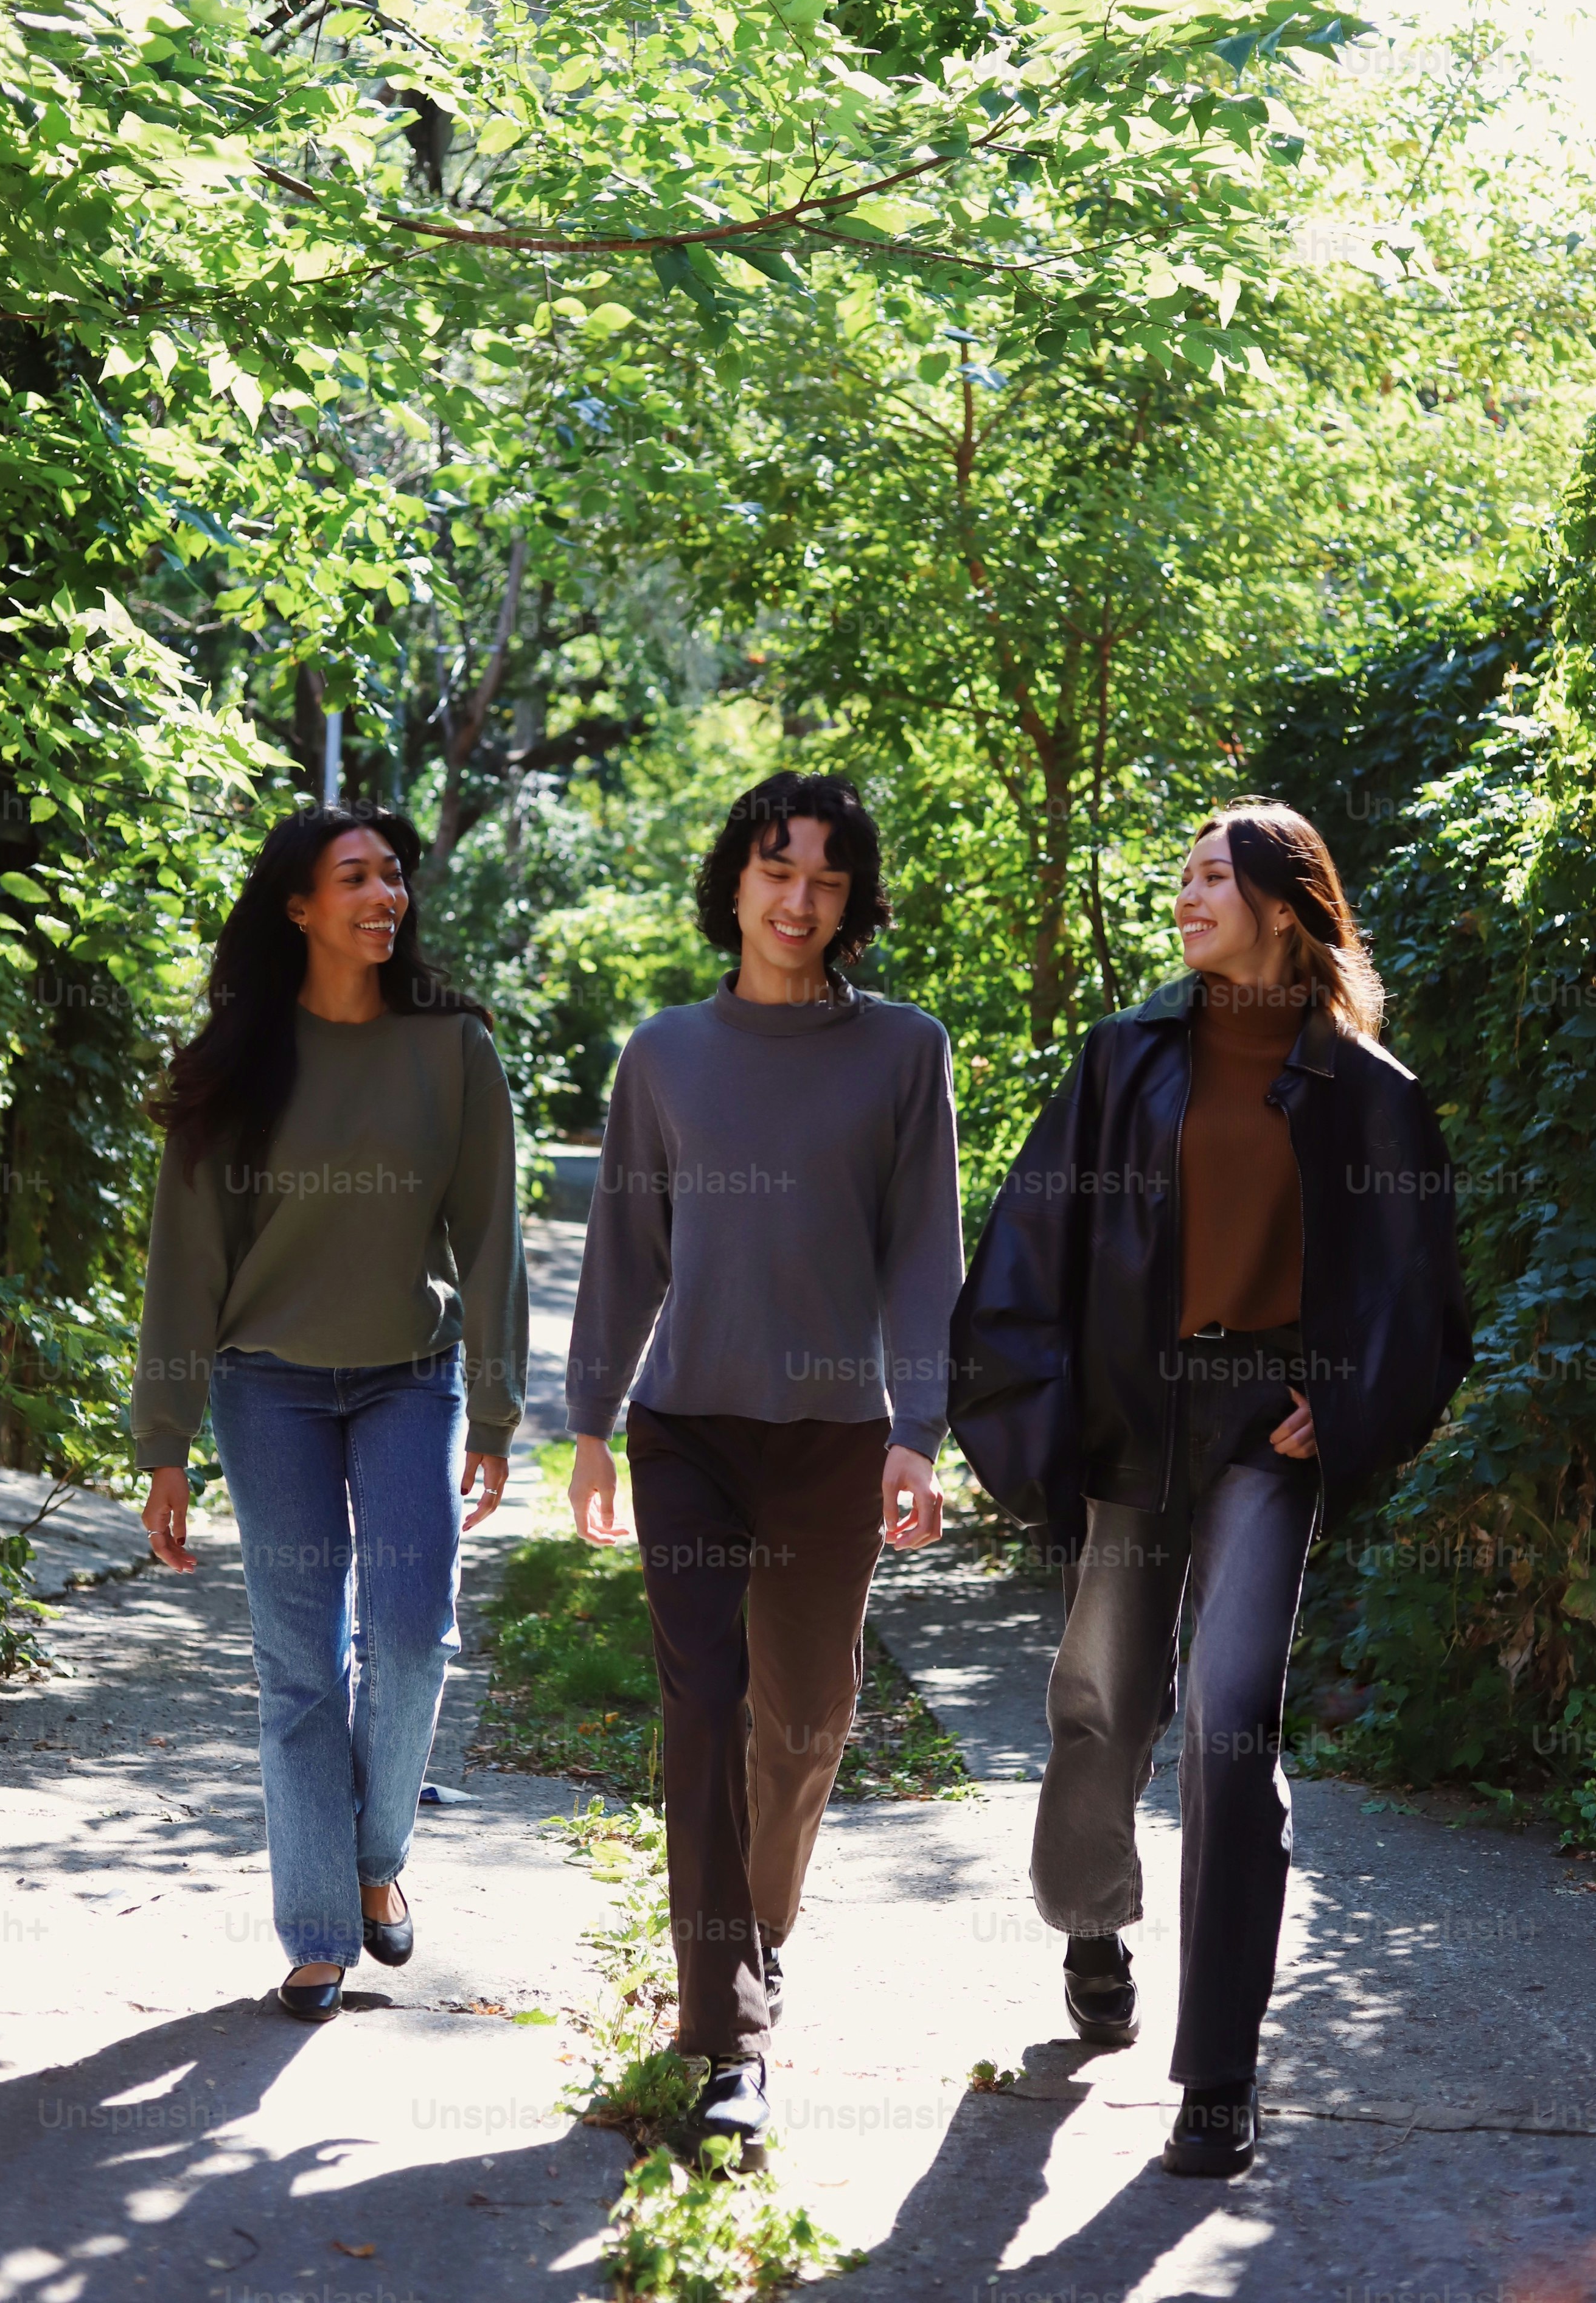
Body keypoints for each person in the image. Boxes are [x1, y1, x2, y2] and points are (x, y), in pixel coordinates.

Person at [950, 798, 1471, 2176]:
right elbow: (1031, 1238)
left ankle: (1220, 2068)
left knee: (1231, 1727)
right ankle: (1090, 1919)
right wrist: (1022, 1413)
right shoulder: (1123, 1058)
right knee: (1102, 1710)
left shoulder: (1371, 1091)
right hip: (1132, 1418)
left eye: (1208, 878)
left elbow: (1419, 1298)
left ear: (1282, 903)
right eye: (1177, 875)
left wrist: (1345, 1403)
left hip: (1261, 1435)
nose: (1183, 896)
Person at [566, 771, 964, 2167]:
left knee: (804, 1719)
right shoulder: (663, 1052)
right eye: (774, 868)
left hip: (834, 1442)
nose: (798, 899)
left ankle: (758, 1931)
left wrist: (919, 1422)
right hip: (690, 1430)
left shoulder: (903, 1051)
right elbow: (625, 1246)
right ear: (733, 879)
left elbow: (924, 1248)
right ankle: (727, 2031)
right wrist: (591, 1420)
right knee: (701, 1704)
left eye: (828, 878)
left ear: (852, 901)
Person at [133, 804, 527, 2023]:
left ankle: (374, 1854)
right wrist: (165, 1443)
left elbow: (492, 1235)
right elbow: (184, 1261)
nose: (384, 893)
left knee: (411, 1632)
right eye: (355, 874)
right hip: (270, 1390)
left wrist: (499, 1409)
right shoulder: (239, 1061)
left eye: (394, 875)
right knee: (299, 1667)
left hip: (411, 1376)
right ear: (299, 907)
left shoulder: (452, 1049)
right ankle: (315, 1929)